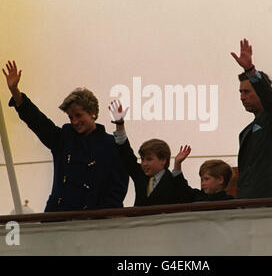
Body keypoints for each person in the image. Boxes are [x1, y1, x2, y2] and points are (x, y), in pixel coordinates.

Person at [2, 61, 129, 212]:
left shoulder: (111, 145)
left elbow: (117, 188)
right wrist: (15, 91)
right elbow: (37, 121)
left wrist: (100, 218)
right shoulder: (64, 139)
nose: (75, 122)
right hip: (58, 220)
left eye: (78, 115)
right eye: (70, 117)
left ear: (93, 112)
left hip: (93, 224)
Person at [230, 39, 272, 199]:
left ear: (261, 92)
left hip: (269, 200)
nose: (242, 97)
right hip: (248, 204)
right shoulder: (246, 132)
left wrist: (250, 70)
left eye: (247, 92)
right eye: (240, 92)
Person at [109, 100, 186, 206]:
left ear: (163, 160)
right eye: (142, 159)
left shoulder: (174, 180)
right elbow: (125, 153)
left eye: (149, 159)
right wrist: (119, 124)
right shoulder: (139, 174)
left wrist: (178, 165)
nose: (144, 163)